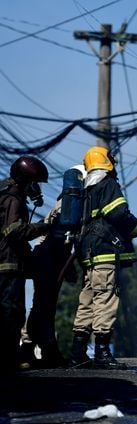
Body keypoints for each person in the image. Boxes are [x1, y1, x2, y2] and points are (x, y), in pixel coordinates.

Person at [70, 146, 137, 369]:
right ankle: (102, 353)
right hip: (104, 252)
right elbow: (118, 214)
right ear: (105, 161)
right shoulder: (107, 184)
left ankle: (77, 353)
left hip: (87, 253)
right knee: (106, 299)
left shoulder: (86, 189)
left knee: (87, 300)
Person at [20, 165, 86, 369]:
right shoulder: (71, 205)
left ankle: (30, 350)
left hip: (45, 258)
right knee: (44, 307)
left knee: (41, 306)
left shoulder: (64, 203)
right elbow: (60, 240)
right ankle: (42, 351)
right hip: (50, 260)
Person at [0, 156, 50, 373]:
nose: (36, 188)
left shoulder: (4, 195)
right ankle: (8, 361)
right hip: (8, 265)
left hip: (6, 263)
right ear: (26, 181)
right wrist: (42, 227)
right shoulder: (13, 200)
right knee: (11, 314)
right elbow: (13, 231)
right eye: (34, 183)